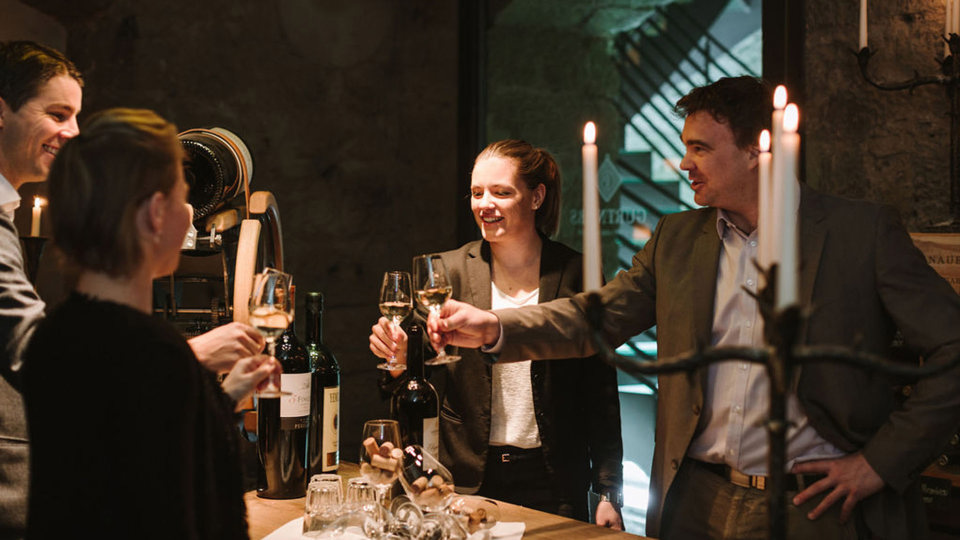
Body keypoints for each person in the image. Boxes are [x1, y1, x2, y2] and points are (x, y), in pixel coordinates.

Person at [428, 76, 960, 539]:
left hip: (812, 508)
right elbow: (595, 318)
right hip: (693, 501)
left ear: (758, 148)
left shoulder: (859, 233)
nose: (684, 163)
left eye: (701, 148)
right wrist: (496, 325)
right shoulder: (677, 238)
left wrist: (877, 464)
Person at [0, 41, 262, 536]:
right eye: (183, 196)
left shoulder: (67, 329)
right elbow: (188, 510)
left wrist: (221, 396)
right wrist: (188, 363)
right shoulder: (148, 352)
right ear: (152, 214)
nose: (72, 131)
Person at [370, 140, 624, 528]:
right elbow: (413, 381)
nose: (484, 204)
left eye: (501, 192)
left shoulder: (576, 273)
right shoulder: (447, 272)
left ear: (536, 196)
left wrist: (608, 491)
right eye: (476, 192)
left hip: (553, 481)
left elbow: (600, 390)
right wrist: (398, 362)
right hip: (462, 479)